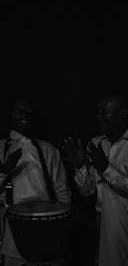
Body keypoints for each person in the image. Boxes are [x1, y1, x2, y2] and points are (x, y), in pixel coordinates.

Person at [0, 99, 71, 266]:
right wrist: (3, 172)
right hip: (11, 233)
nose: (24, 115)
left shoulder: (49, 150)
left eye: (28, 112)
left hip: (47, 232)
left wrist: (58, 225)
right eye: (18, 111)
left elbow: (62, 191)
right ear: (10, 116)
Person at [63, 95, 128, 266]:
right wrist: (80, 167)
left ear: (123, 113)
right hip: (101, 221)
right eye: (98, 112)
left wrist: (106, 168)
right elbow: (87, 191)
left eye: (105, 112)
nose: (99, 116)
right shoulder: (96, 143)